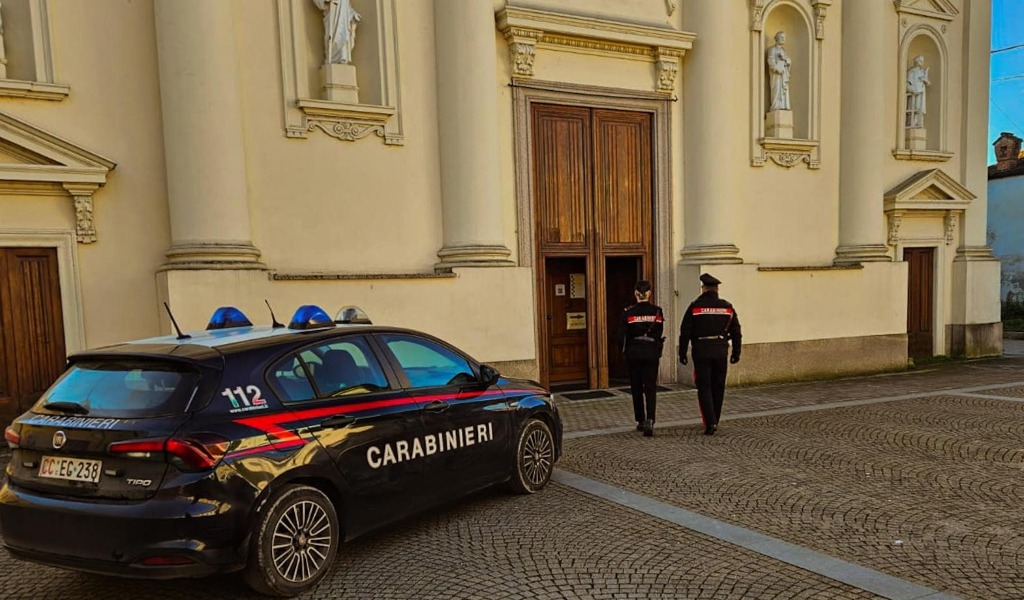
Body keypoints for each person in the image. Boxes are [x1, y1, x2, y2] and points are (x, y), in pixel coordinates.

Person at [678, 273, 742, 436]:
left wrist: (682, 352)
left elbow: (685, 331)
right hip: (721, 350)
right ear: (717, 289)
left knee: (704, 386)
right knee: (718, 385)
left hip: (701, 350)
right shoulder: (727, 307)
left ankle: (710, 421)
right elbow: (736, 331)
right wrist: (736, 352)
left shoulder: (695, 307)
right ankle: (716, 419)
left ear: (703, 289)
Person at [618, 280, 665, 437]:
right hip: (651, 352)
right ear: (649, 293)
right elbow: (659, 333)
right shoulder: (657, 312)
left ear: (636, 294)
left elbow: (621, 336)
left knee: (636, 387)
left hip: (634, 353)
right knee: (650, 387)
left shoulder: (628, 312)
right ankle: (651, 419)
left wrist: (623, 351)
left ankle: (640, 420)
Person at [312, 0, 361, 65]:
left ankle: (342, 57)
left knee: (343, 39)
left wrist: (353, 15)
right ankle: (333, 58)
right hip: (332, 18)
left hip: (344, 24)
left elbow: (347, 9)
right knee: (334, 39)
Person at [766, 31, 791, 112]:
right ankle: (776, 106)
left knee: (784, 91)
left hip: (783, 75)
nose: (784, 39)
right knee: (776, 89)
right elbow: (770, 61)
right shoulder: (772, 50)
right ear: (777, 38)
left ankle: (784, 105)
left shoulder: (784, 51)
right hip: (776, 75)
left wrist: (785, 59)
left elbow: (789, 61)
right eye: (782, 37)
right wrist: (777, 69)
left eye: (784, 37)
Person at [905, 55, 930, 129]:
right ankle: (911, 123)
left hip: (921, 94)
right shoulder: (911, 71)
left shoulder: (922, 72)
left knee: (919, 109)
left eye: (923, 61)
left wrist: (925, 79)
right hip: (914, 93)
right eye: (920, 60)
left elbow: (928, 83)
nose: (922, 62)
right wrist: (912, 90)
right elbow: (907, 84)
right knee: (913, 108)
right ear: (916, 61)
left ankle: (918, 124)